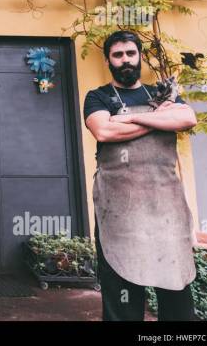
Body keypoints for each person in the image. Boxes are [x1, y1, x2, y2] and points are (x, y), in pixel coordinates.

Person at [84, 30, 198, 321]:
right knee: (121, 290)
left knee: (176, 287)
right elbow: (105, 130)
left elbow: (187, 118)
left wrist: (131, 117)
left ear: (140, 56)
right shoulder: (98, 97)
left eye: (130, 54)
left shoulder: (160, 94)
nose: (125, 60)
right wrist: (160, 119)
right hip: (120, 208)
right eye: (118, 55)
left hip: (165, 206)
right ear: (108, 60)